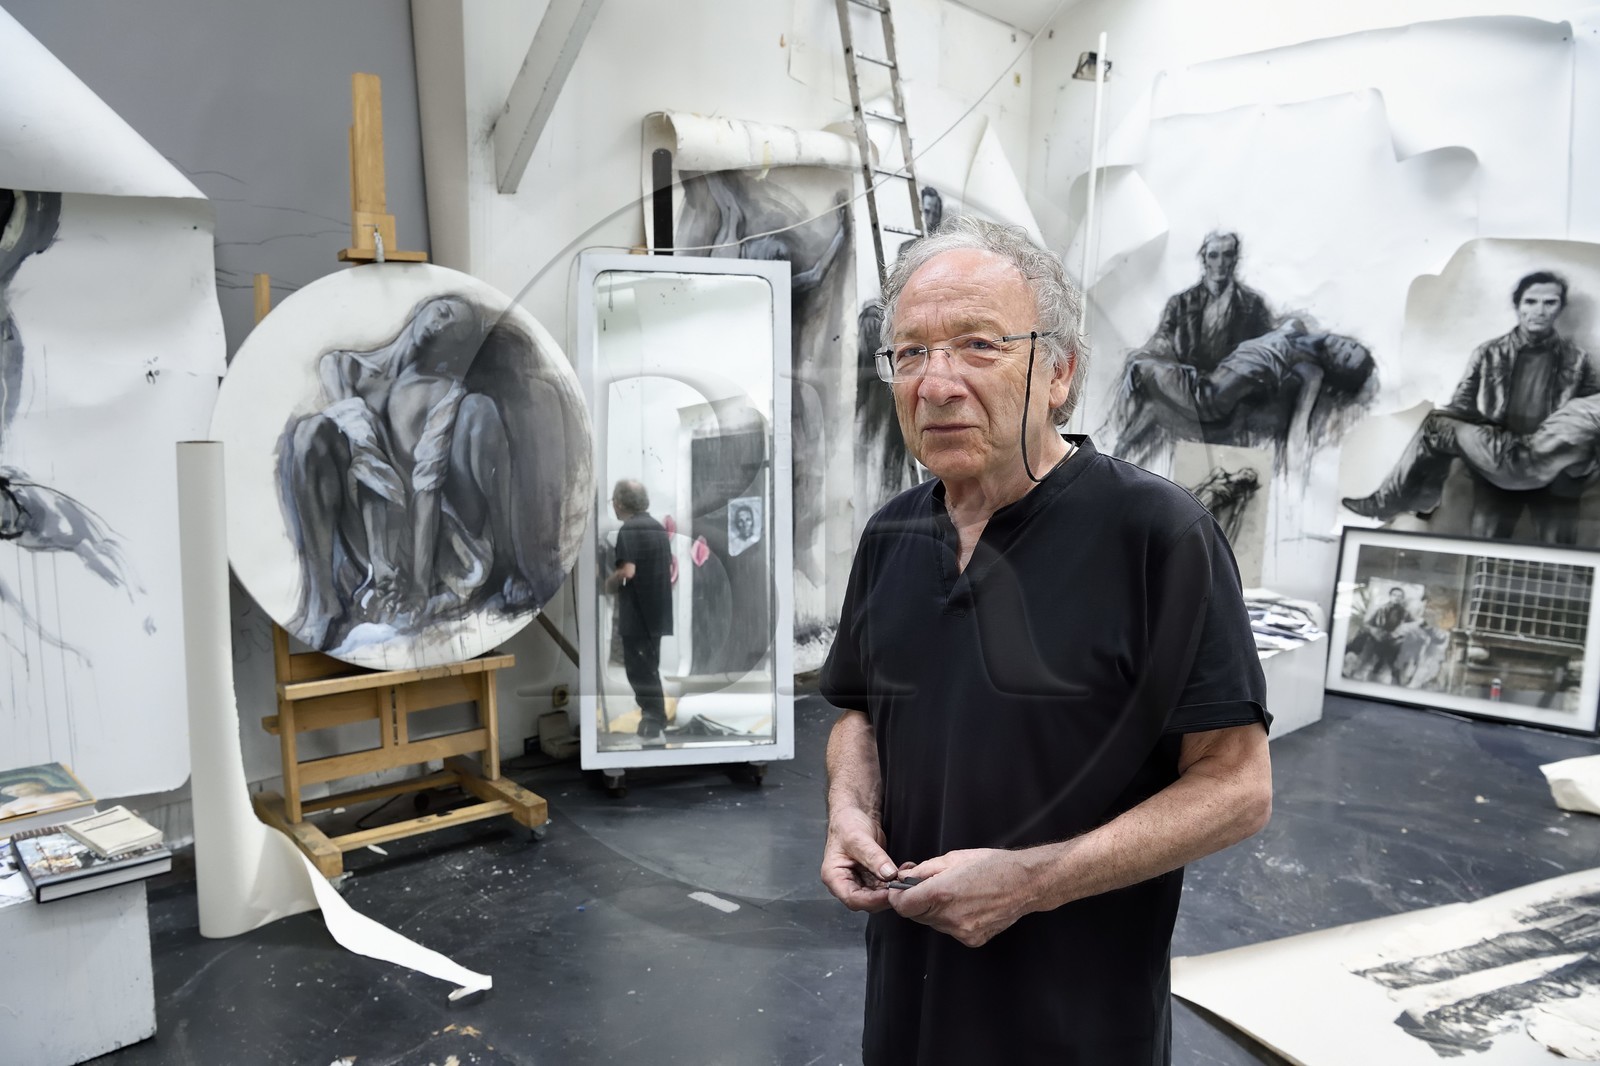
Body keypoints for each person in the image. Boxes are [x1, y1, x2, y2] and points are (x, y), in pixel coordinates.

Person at [819, 216, 1273, 1065]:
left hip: (1075, 1024)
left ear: (1058, 371)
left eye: (978, 345)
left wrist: (1032, 882)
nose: (937, 382)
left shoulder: (1157, 535)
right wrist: (848, 810)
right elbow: (860, 713)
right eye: (910, 353)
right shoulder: (890, 536)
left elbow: (1238, 786)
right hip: (907, 1005)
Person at [1440, 271, 1599, 542]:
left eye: (1550, 302)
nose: (1539, 311)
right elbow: (1461, 408)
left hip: (1555, 471)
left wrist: (1580, 463)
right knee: (1485, 548)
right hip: (1498, 465)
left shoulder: (1579, 359)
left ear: (1560, 307)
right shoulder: (1488, 352)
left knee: (1558, 553)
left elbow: (1590, 418)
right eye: (1531, 301)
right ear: (1518, 305)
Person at [1341, 392, 1600, 522]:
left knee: (1436, 426)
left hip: (1518, 463)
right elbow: (1580, 465)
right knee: (1455, 424)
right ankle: (1422, 502)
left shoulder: (1591, 409)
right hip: (1529, 461)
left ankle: (1389, 503)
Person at [1143, 231, 1274, 373]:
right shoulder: (1179, 304)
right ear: (1204, 259)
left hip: (1234, 386)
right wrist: (1160, 346)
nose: (1220, 263)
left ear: (1236, 259)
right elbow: (1162, 338)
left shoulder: (1253, 304)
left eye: (1227, 255)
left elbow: (1266, 351)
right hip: (1188, 387)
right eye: (1213, 256)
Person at [606, 479, 673, 744]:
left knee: (639, 670)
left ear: (620, 503)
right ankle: (657, 718)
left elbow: (628, 572)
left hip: (637, 613)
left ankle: (653, 720)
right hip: (656, 611)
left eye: (613, 500)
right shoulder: (657, 527)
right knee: (649, 667)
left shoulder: (629, 529)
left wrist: (608, 582)